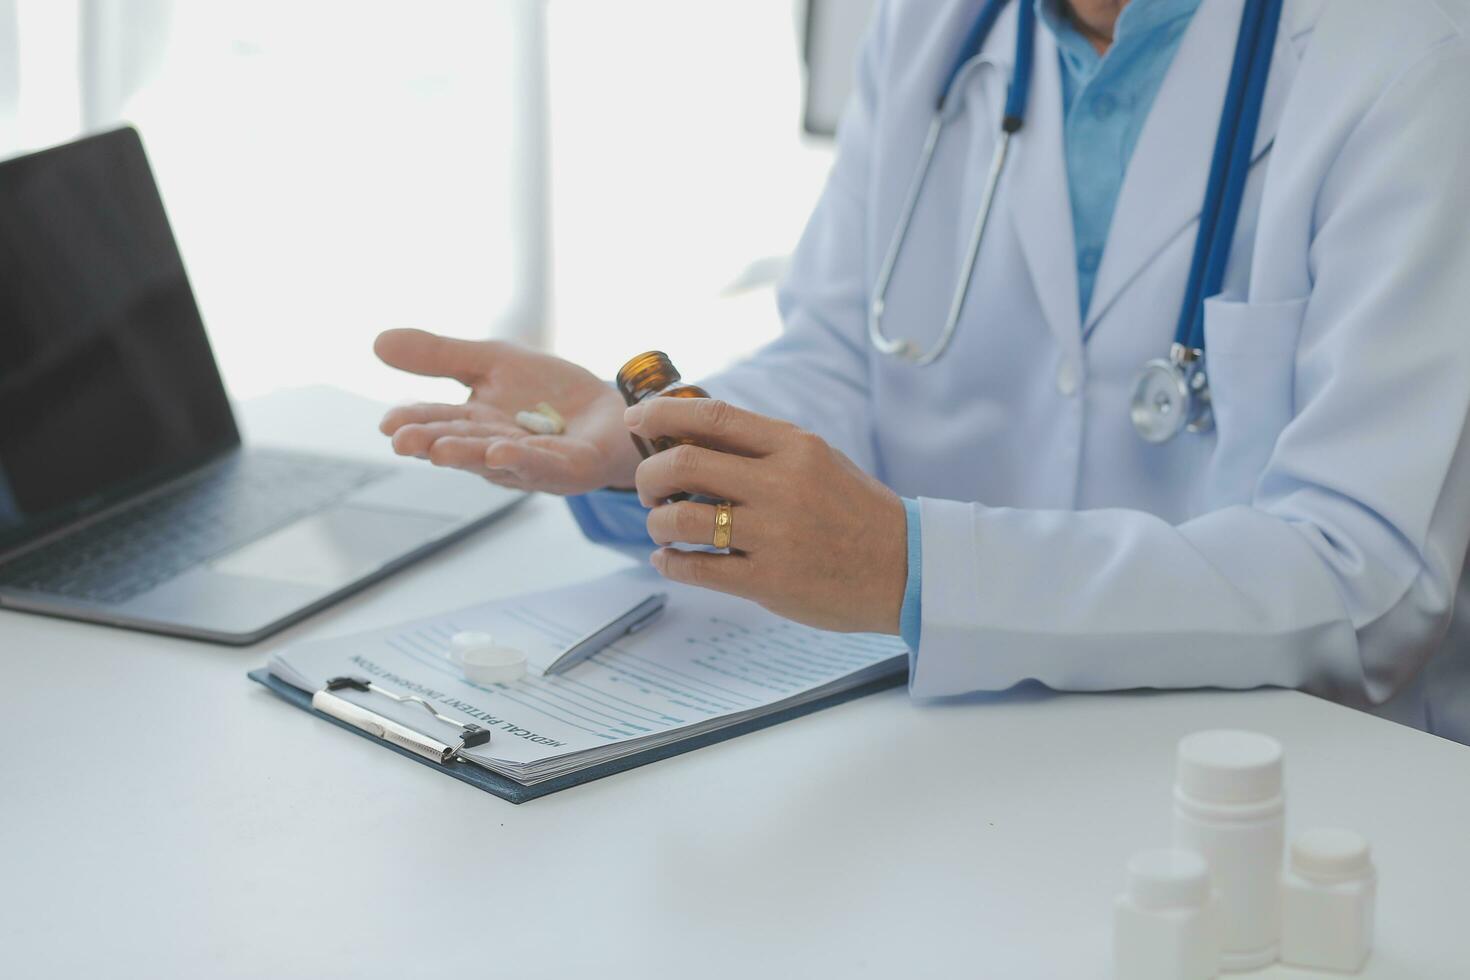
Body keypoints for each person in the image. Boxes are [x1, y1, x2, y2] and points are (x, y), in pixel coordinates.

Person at [373, 0, 1470, 742]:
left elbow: (1368, 585)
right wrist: (657, 442)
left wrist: (919, 566)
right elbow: (845, 355)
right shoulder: (932, 23)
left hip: (1278, 782)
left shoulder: (1412, 56)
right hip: (956, 749)